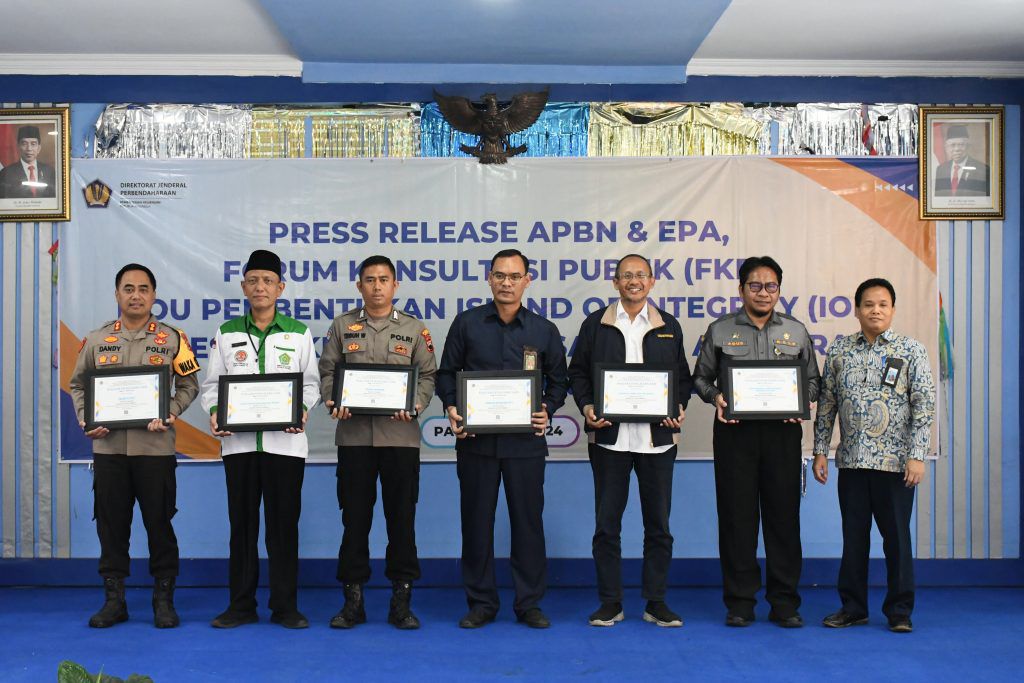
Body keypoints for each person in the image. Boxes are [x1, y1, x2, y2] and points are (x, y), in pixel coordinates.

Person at [435, 248, 568, 629]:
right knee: (476, 524)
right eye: (499, 275)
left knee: (528, 524)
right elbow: (446, 374)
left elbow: (560, 381)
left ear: (527, 280)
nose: (506, 283)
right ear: (489, 278)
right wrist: (452, 407)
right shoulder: (467, 324)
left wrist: (548, 408)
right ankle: (481, 602)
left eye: (514, 276)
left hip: (526, 445)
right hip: (476, 443)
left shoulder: (543, 330)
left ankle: (529, 603)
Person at [69, 263, 201, 629]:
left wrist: (170, 412)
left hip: (154, 449)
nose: (136, 295)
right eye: (128, 288)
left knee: (159, 524)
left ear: (154, 295)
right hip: (109, 450)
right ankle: (114, 601)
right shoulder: (96, 339)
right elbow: (78, 385)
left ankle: (164, 600)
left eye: (143, 289)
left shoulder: (173, 339)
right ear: (117, 294)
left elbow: (189, 385)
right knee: (111, 527)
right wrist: (87, 418)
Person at [693, 255, 820, 628]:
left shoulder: (796, 331)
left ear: (779, 290)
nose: (763, 292)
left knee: (784, 519)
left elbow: (813, 380)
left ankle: (784, 603)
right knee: (737, 519)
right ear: (741, 289)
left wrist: (802, 401)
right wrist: (717, 397)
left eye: (770, 286)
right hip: (735, 435)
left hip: (783, 434)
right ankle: (740, 602)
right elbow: (700, 378)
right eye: (755, 285)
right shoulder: (720, 330)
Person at [568, 254, 693, 628]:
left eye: (640, 275)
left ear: (652, 281)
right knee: (607, 526)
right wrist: (587, 406)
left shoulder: (668, 325)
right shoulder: (596, 324)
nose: (634, 281)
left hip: (657, 441)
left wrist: (678, 407)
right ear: (615, 282)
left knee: (659, 526)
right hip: (610, 440)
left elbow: (681, 378)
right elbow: (578, 373)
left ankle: (656, 602)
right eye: (626, 275)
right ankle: (610, 603)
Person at [201, 249, 320, 630]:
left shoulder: (298, 333)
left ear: (280, 288)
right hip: (239, 446)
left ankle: (285, 607)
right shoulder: (227, 333)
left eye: (268, 281)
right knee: (242, 527)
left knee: (283, 528)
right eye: (253, 281)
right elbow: (211, 385)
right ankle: (241, 605)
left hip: (285, 446)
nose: (260, 287)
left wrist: (301, 409)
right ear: (243, 287)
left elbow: (312, 384)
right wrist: (215, 412)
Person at [318, 255, 437, 630]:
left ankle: (401, 603)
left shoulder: (414, 329)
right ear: (359, 286)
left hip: (400, 439)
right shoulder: (342, 326)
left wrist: (416, 404)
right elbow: (327, 372)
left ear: (395, 285)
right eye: (369, 280)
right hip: (354, 439)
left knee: (402, 521)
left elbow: (428, 376)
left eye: (384, 279)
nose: (377, 286)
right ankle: (352, 602)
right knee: (354, 521)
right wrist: (333, 401)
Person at [812, 278, 935, 634]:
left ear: (892, 310)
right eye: (868, 304)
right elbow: (827, 404)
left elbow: (924, 406)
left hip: (895, 464)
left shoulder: (911, 350)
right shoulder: (840, 350)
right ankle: (853, 608)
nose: (875, 310)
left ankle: (899, 610)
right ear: (857, 310)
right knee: (854, 539)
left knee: (896, 539)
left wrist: (917, 455)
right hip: (852, 461)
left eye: (883, 304)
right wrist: (820, 450)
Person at [0, 125, 57, 198]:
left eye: (33, 144)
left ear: (39, 148)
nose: (29, 148)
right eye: (24, 144)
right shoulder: (6, 173)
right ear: (18, 147)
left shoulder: (50, 171)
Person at [933, 124, 990, 197]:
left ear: (968, 146)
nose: (957, 149)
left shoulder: (982, 169)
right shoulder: (941, 169)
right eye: (952, 145)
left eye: (961, 145)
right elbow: (938, 198)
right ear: (946, 147)